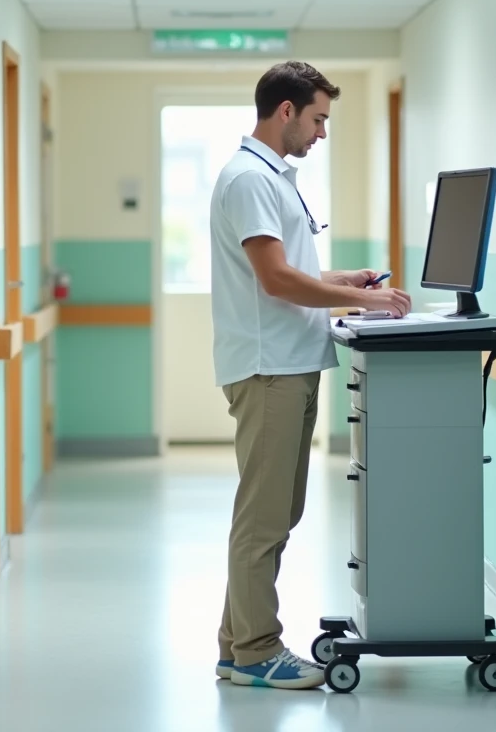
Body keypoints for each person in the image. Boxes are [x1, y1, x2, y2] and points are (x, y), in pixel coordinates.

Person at [209, 61, 413, 689]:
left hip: (290, 362)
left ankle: (235, 645)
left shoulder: (271, 177)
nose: (322, 132)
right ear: (287, 111)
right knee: (265, 518)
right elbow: (273, 280)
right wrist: (368, 303)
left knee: (276, 513)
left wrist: (340, 279)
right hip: (271, 369)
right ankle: (256, 653)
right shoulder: (249, 179)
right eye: (319, 118)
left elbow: (285, 268)